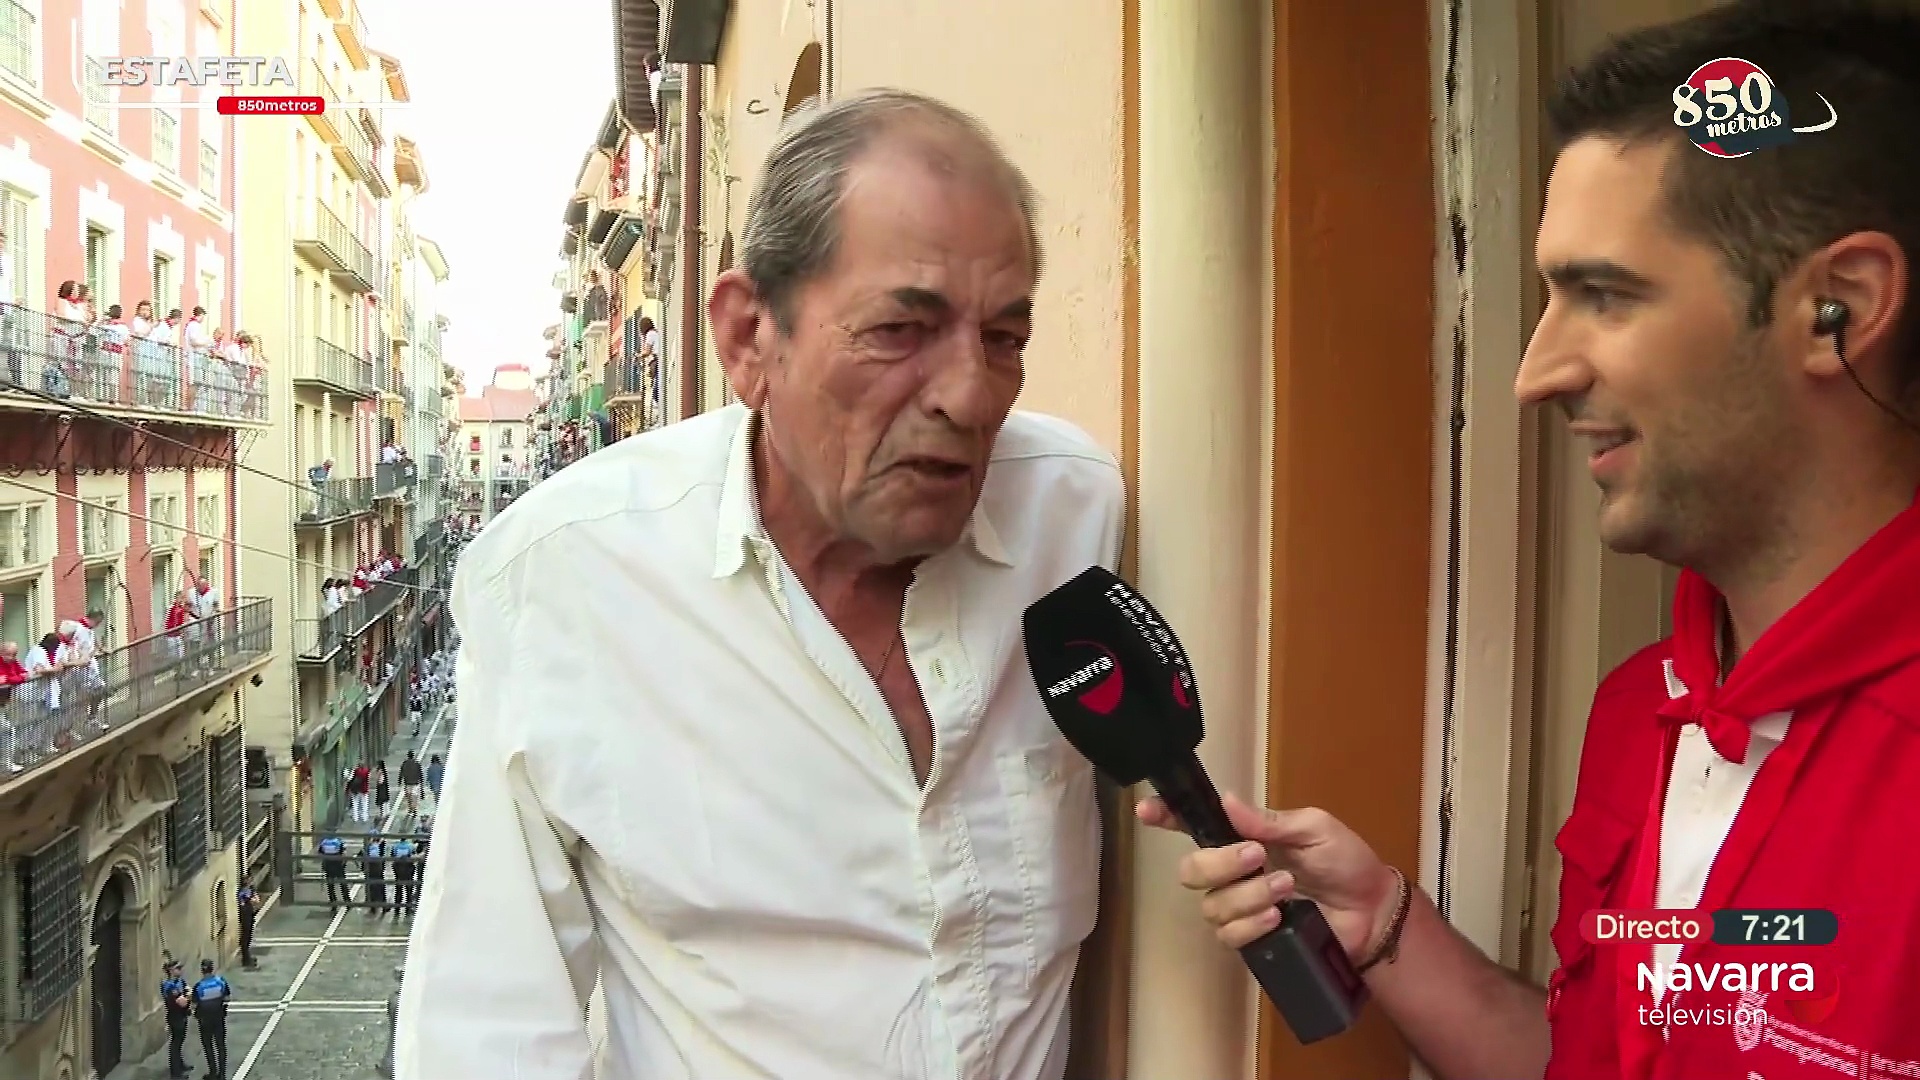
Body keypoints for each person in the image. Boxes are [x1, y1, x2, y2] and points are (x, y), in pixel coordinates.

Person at [1154, 4, 1920, 1078]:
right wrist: (1385, 927)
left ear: (1837, 307)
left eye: (1604, 294)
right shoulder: (1643, 711)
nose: (1536, 374)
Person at [397, 89, 1123, 1080]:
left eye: (1004, 339)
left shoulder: (1075, 517)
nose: (969, 396)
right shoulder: (566, 577)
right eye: (900, 331)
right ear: (747, 337)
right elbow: (486, 1031)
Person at [192, 958, 231, 1080]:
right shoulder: (221, 982)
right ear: (212, 968)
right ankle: (222, 1073)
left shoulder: (198, 986)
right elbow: (227, 998)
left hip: (204, 1020)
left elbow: (194, 1005)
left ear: (202, 970)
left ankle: (213, 1072)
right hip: (218, 1018)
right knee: (220, 1045)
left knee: (208, 1046)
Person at [160, 958, 194, 1078]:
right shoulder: (169, 986)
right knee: (176, 1043)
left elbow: (188, 990)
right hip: (175, 1016)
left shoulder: (180, 981)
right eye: (178, 968)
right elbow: (182, 1002)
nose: (180, 970)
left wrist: (188, 995)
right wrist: (189, 997)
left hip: (182, 1015)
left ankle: (180, 1064)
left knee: (180, 1041)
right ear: (171, 971)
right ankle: (176, 1073)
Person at [318, 834, 348, 912]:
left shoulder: (324, 842)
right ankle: (347, 901)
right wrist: (344, 863)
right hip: (338, 864)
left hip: (328, 864)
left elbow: (320, 853)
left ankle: (333, 902)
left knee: (330, 886)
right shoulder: (339, 841)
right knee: (343, 884)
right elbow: (344, 853)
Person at [362, 836, 389, 917]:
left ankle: (373, 908)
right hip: (378, 869)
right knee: (380, 888)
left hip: (371, 870)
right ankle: (384, 906)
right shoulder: (378, 847)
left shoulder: (369, 848)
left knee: (372, 889)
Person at [397, 750, 423, 816]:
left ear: (408, 756)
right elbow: (420, 774)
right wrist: (421, 782)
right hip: (415, 783)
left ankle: (410, 808)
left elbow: (401, 773)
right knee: (414, 796)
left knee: (408, 796)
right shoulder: (417, 763)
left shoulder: (404, 763)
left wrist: (399, 781)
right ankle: (414, 809)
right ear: (413, 756)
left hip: (407, 783)